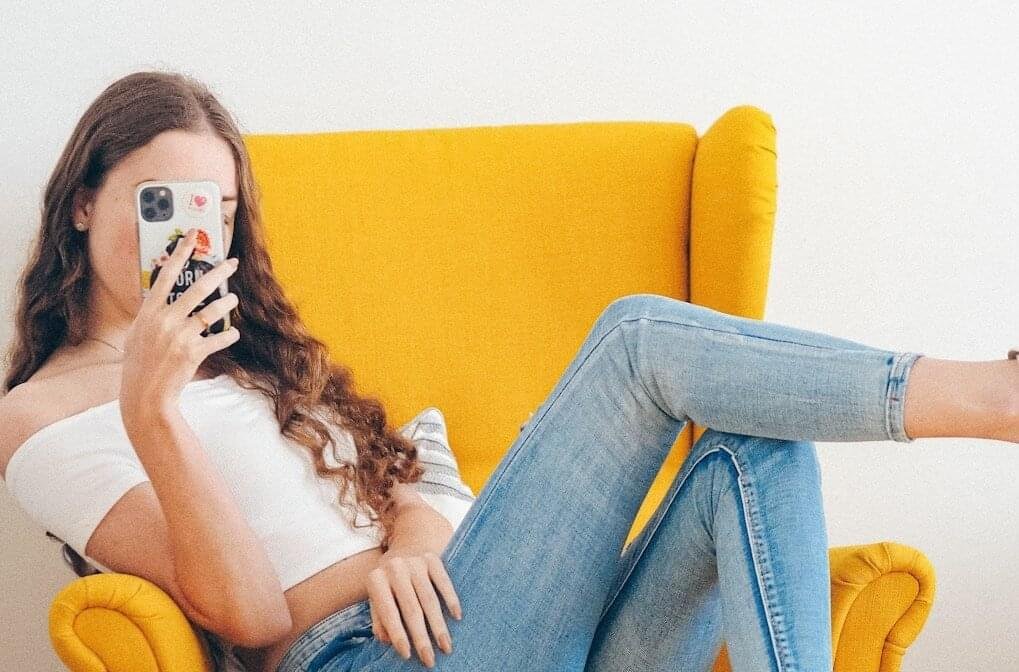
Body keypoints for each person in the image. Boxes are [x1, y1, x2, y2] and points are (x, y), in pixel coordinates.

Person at [1, 69, 1016, 672]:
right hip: (365, 660)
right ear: (83, 202)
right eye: (160, 204)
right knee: (631, 342)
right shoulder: (40, 415)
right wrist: (153, 411)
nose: (193, 238)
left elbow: (422, 471)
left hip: (479, 618)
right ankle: (989, 396)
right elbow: (251, 617)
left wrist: (409, 542)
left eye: (215, 211)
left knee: (756, 451)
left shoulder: (259, 364)